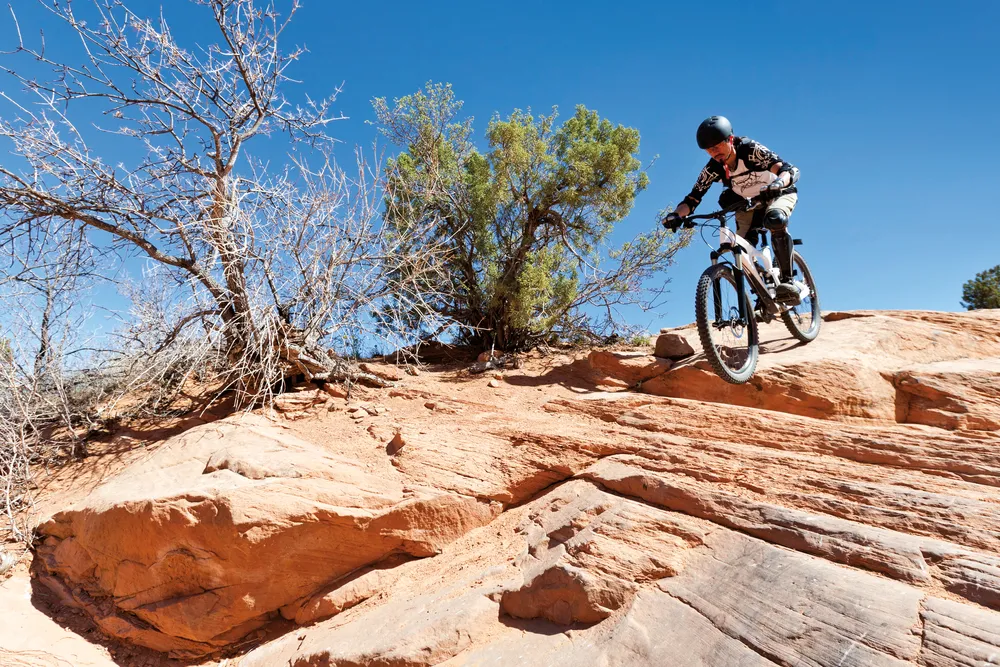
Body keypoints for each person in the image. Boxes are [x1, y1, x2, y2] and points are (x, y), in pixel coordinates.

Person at [663, 116, 801, 300]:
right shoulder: (713, 169)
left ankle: (788, 282)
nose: (714, 152)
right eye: (709, 150)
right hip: (748, 203)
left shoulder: (751, 150)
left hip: (778, 193)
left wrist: (777, 183)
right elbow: (692, 198)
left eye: (717, 146)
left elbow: (789, 169)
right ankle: (762, 292)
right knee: (741, 247)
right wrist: (676, 215)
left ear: (730, 139)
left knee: (775, 219)